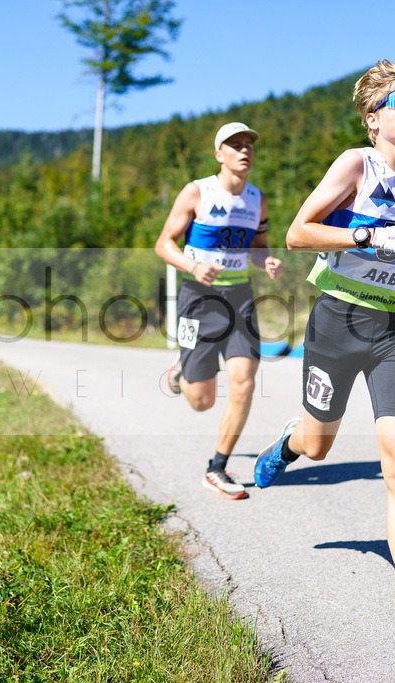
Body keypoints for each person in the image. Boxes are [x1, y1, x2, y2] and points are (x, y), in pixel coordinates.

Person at [251, 61, 395, 667]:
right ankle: (285, 448)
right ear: (373, 118)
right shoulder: (357, 163)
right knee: (317, 443)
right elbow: (298, 233)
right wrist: (370, 239)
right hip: (338, 322)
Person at [155, 121, 283, 500]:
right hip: (199, 298)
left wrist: (268, 262)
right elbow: (164, 243)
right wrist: (193, 266)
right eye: (235, 145)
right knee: (202, 401)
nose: (245, 151)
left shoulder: (257, 198)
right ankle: (183, 369)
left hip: (240, 297)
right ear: (219, 154)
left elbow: (258, 246)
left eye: (249, 145)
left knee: (244, 381)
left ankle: (217, 468)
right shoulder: (197, 192)